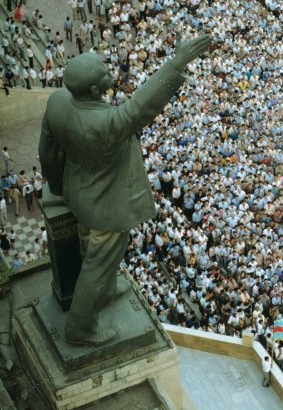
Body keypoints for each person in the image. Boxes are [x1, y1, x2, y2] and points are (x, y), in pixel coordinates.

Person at [38, 32, 212, 347]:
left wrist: (55, 186)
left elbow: (47, 152)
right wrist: (176, 64)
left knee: (95, 254)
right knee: (98, 263)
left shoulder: (57, 102)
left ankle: (103, 292)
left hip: (76, 192)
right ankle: (81, 327)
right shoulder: (106, 124)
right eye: (105, 72)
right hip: (105, 208)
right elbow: (143, 107)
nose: (111, 72)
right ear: (94, 89)